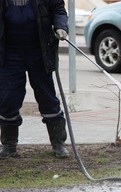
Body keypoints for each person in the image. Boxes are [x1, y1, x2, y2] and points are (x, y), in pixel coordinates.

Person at [0, 0, 69, 159]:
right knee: (7, 99)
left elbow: (58, 9)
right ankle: (9, 146)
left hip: (39, 51)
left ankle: (58, 142)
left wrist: (60, 27)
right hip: (9, 52)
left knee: (47, 97)